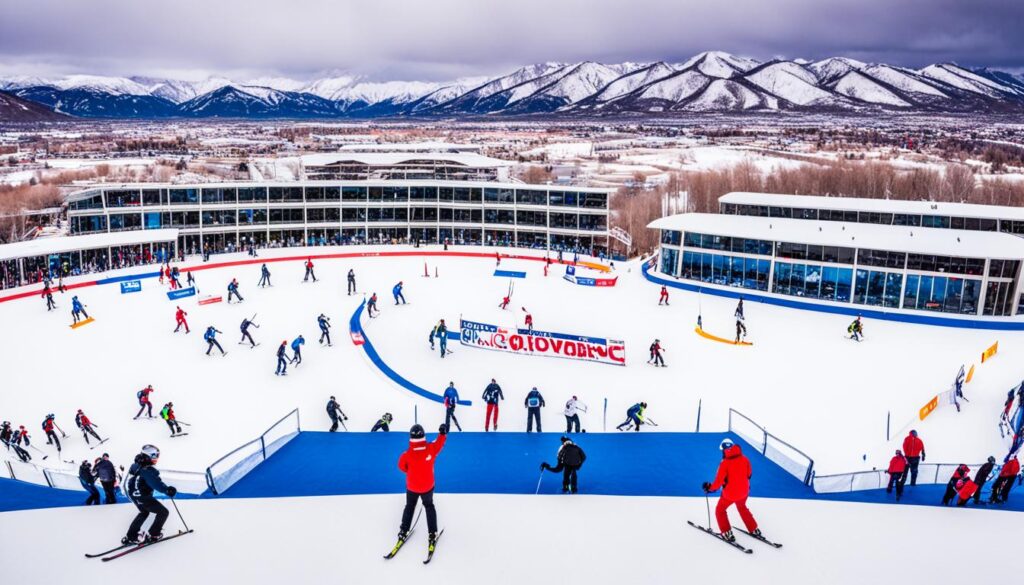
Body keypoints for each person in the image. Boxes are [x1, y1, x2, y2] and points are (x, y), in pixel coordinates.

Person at [397, 424, 447, 546]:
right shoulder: (431, 448)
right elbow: (439, 443)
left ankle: (403, 530)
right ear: (423, 436)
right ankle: (432, 533)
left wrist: (412, 471)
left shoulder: (406, 454)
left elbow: (401, 467)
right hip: (427, 487)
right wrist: (442, 433)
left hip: (412, 487)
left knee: (409, 506)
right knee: (429, 506)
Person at [703, 439, 761, 542]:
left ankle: (727, 533)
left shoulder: (724, 463)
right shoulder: (745, 459)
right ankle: (754, 529)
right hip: (744, 492)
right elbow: (749, 475)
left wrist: (709, 487)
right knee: (742, 507)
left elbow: (718, 483)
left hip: (730, 494)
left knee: (720, 510)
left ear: (724, 450)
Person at [123, 444, 178, 545]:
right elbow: (156, 483)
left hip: (134, 494)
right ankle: (154, 534)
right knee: (163, 512)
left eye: (157, 456)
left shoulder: (137, 466)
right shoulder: (148, 470)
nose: (156, 458)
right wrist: (167, 490)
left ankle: (131, 536)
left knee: (144, 512)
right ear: (148, 456)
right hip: (142, 496)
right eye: (154, 456)